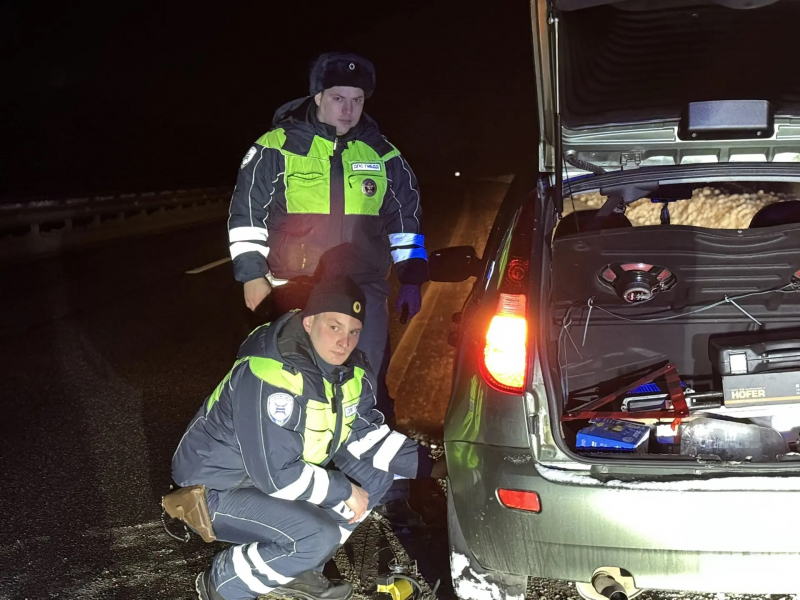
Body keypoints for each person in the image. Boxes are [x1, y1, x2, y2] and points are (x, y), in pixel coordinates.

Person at [226, 51, 428, 524]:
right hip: (296, 288)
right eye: (338, 97)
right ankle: (287, 479)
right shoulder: (276, 146)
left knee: (365, 383)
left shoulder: (383, 154)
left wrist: (412, 275)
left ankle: (387, 486)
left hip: (362, 290)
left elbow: (405, 220)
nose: (348, 108)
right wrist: (252, 275)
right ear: (317, 96)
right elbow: (247, 213)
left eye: (357, 99)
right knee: (288, 383)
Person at [171, 276, 442, 600]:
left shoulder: (348, 373)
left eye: (353, 331)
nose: (344, 341)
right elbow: (276, 475)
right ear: (309, 321)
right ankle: (224, 582)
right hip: (215, 488)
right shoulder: (271, 374)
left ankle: (299, 564)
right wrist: (343, 489)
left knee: (376, 474)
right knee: (317, 535)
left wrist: (434, 466)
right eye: (334, 327)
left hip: (268, 477)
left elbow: (366, 435)